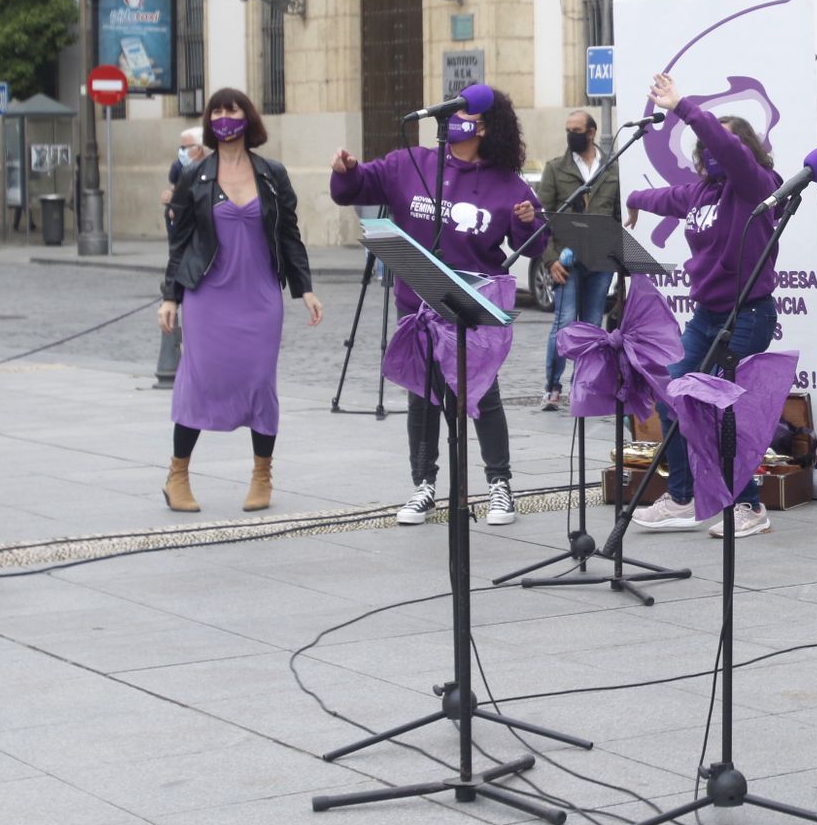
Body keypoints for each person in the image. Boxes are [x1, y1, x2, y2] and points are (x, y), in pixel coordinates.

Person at [329, 89, 545, 527]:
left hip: (470, 305)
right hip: (418, 305)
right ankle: (423, 485)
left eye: (466, 112)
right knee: (422, 397)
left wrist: (527, 221)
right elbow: (356, 187)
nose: (458, 118)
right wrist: (346, 172)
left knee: (481, 395)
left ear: (484, 126)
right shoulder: (412, 163)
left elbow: (535, 242)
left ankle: (499, 485)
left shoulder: (508, 182)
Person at [626, 73, 782, 539]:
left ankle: (751, 507)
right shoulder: (700, 192)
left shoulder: (757, 185)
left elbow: (727, 148)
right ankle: (684, 495)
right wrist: (633, 200)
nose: (713, 151)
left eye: (724, 144)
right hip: (707, 316)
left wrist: (683, 107)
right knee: (673, 393)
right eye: (708, 146)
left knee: (724, 411)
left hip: (748, 315)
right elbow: (664, 197)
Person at [159, 88, 322, 513]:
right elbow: (179, 243)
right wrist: (170, 296)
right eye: (217, 110)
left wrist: (304, 288)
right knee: (198, 382)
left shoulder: (272, 173)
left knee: (259, 384)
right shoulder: (195, 175)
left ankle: (262, 474)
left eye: (232, 109)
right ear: (210, 121)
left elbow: (289, 233)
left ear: (247, 117)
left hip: (260, 297)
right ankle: (177, 475)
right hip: (208, 297)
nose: (224, 116)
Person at [539, 110, 620, 411]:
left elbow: (616, 217)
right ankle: (552, 387)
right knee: (563, 323)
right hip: (566, 260)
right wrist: (550, 261)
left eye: (576, 129)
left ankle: (583, 385)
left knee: (592, 325)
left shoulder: (611, 169)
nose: (570, 134)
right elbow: (541, 220)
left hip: (600, 262)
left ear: (591, 132)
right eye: (567, 129)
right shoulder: (555, 169)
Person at [163, 126, 208, 233]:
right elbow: (174, 187)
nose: (181, 152)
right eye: (181, 148)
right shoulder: (179, 167)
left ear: (198, 149)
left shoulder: (211, 170)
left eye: (185, 148)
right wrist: (170, 199)